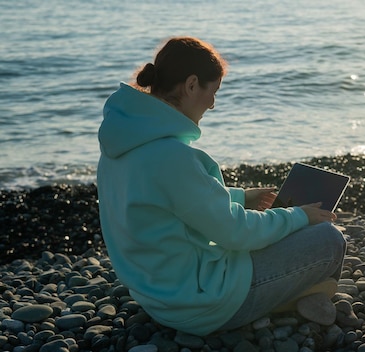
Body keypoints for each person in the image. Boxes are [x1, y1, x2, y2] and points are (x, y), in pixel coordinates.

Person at [96, 36, 346, 336]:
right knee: (328, 239)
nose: (212, 105)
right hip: (204, 304)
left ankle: (295, 294)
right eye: (212, 92)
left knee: (289, 231)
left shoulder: (122, 144)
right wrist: (298, 216)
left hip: (158, 297)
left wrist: (241, 197)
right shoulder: (171, 156)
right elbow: (236, 232)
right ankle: (290, 298)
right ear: (191, 85)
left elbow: (169, 204)